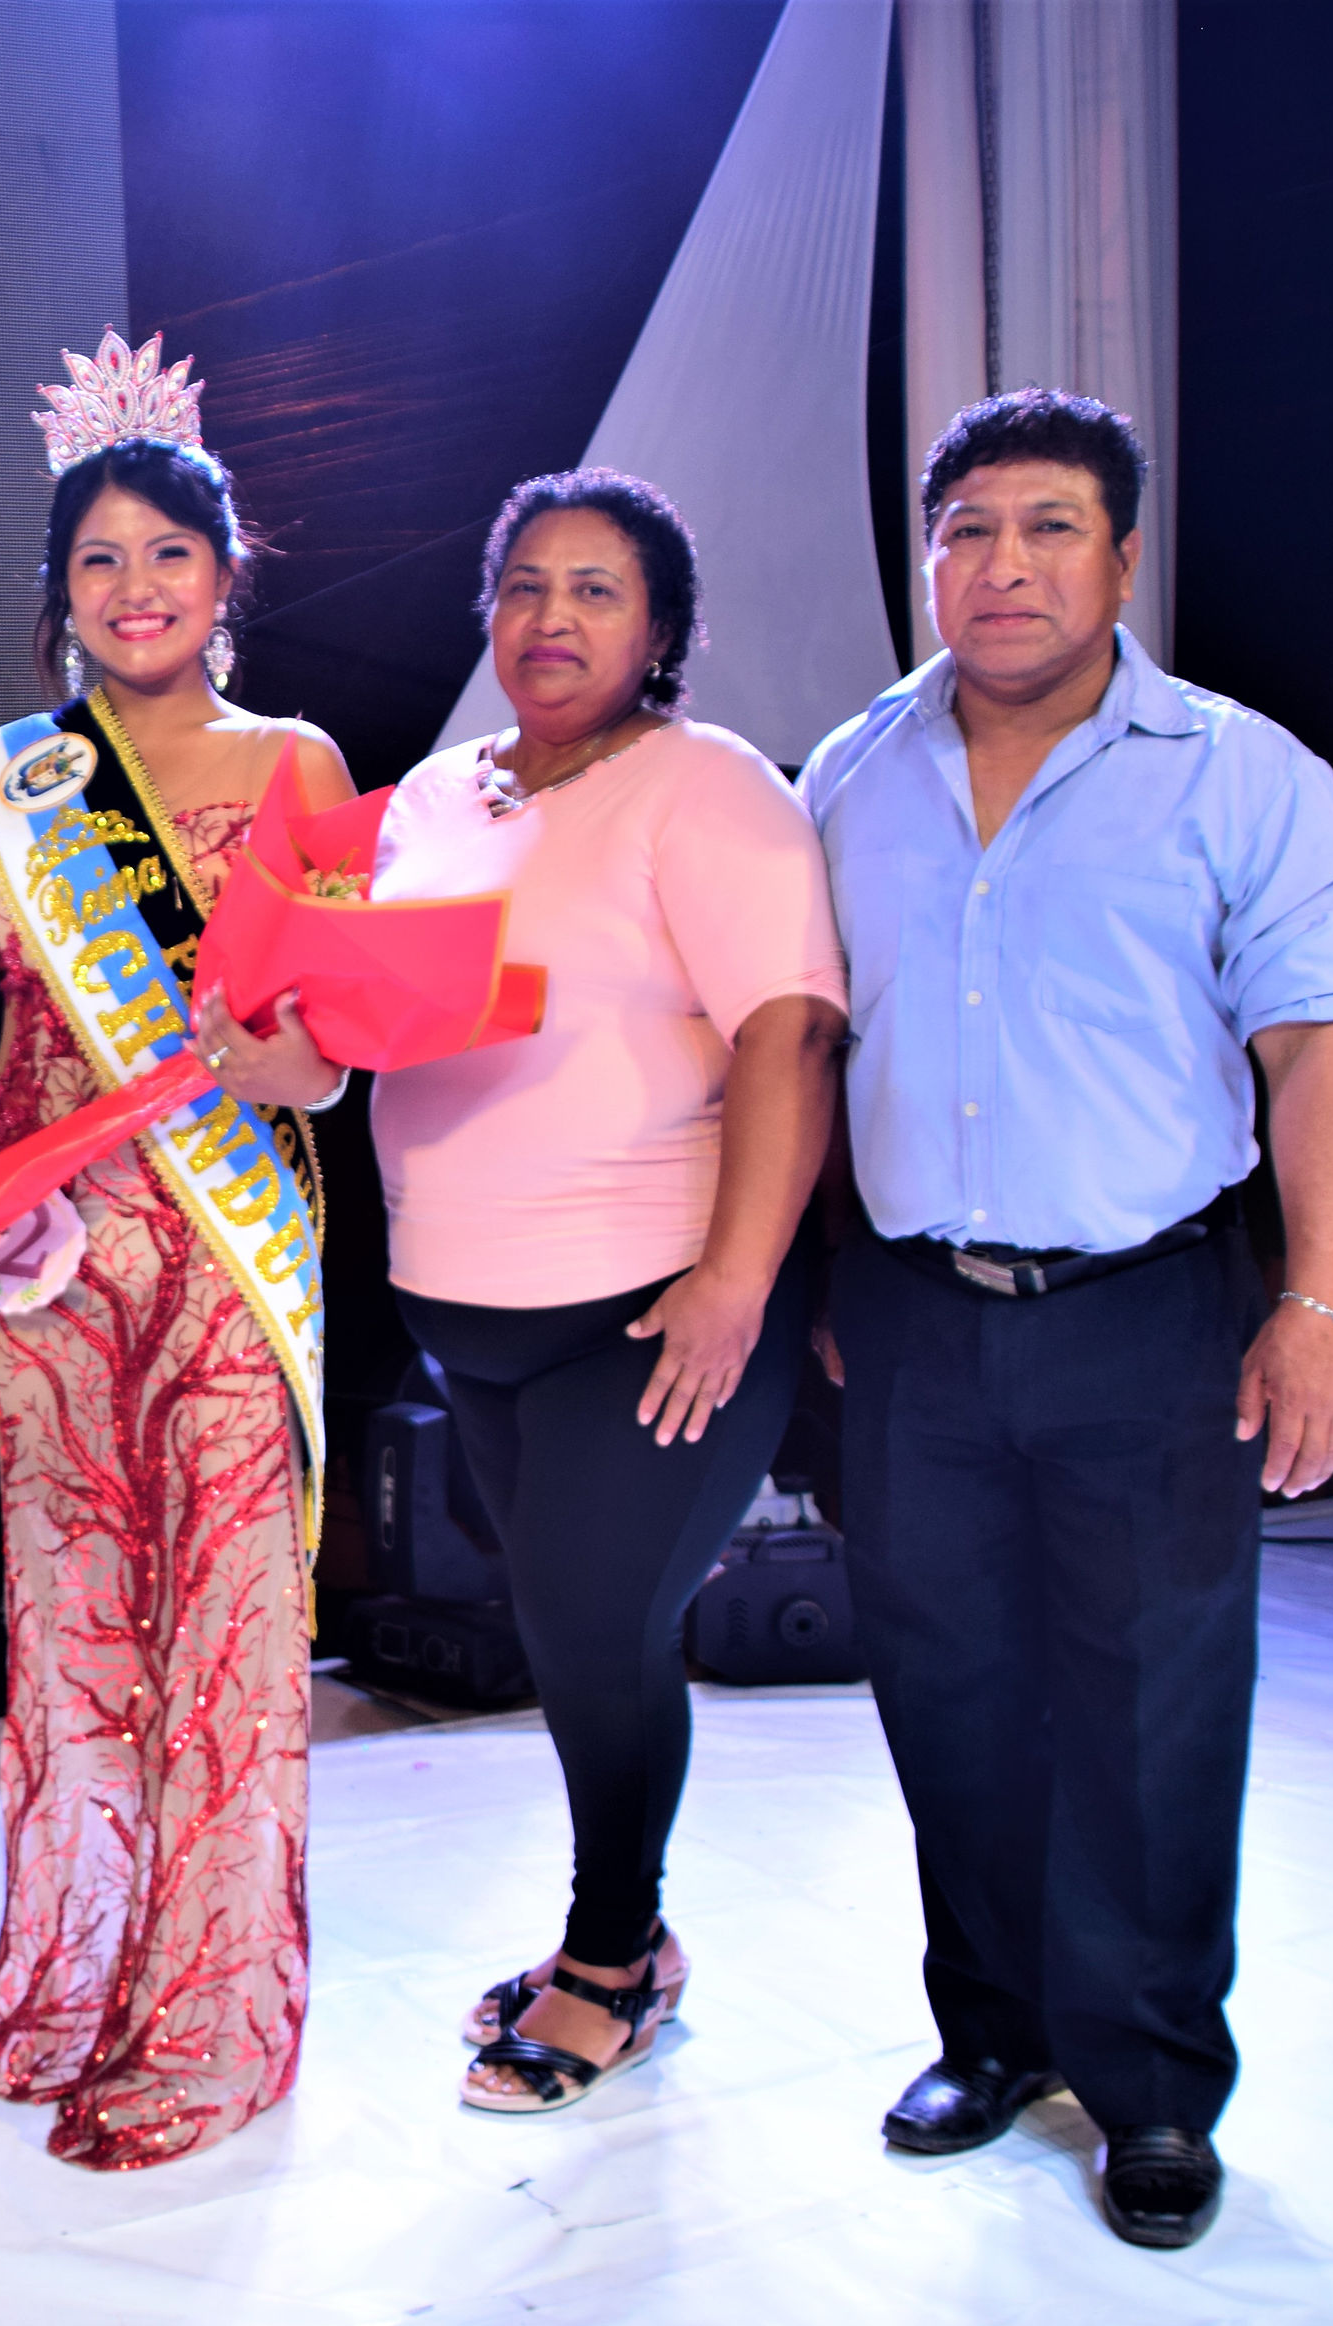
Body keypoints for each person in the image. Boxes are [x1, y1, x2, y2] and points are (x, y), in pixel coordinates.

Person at [801, 391, 1333, 2250]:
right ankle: (992, 2033)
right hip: (909, 1318)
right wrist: (822, 1267)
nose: (1005, 565)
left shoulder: (1242, 775)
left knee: (1149, 1707)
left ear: (1124, 561)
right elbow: (806, 1046)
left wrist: (1319, 1301)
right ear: (930, 561)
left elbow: (1315, 1053)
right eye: (968, 529)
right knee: (946, 1693)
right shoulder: (848, 773)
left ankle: (1150, 2086)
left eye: (1050, 527)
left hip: (1150, 1311)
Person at [0, 343, 352, 2170]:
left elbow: (332, 1047)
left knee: (226, 1640)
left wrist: (276, 1061)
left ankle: (207, 2026)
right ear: (60, 589)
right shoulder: (6, 778)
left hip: (227, 1258)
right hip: (52, 1260)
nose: (136, 586)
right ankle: (85, 1982)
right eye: (99, 558)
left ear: (225, 576)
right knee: (79, 1631)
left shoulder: (296, 761)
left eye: (169, 553)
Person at [367, 470, 848, 2117]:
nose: (552, 618)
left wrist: (737, 1277)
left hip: (646, 1313)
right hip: (469, 1321)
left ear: (661, 628)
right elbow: (375, 1013)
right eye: (524, 585)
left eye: (595, 590)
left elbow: (791, 1032)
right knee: (567, 1629)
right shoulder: (437, 796)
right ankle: (629, 1937)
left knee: (594, 1628)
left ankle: (612, 1960)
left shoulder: (707, 788)